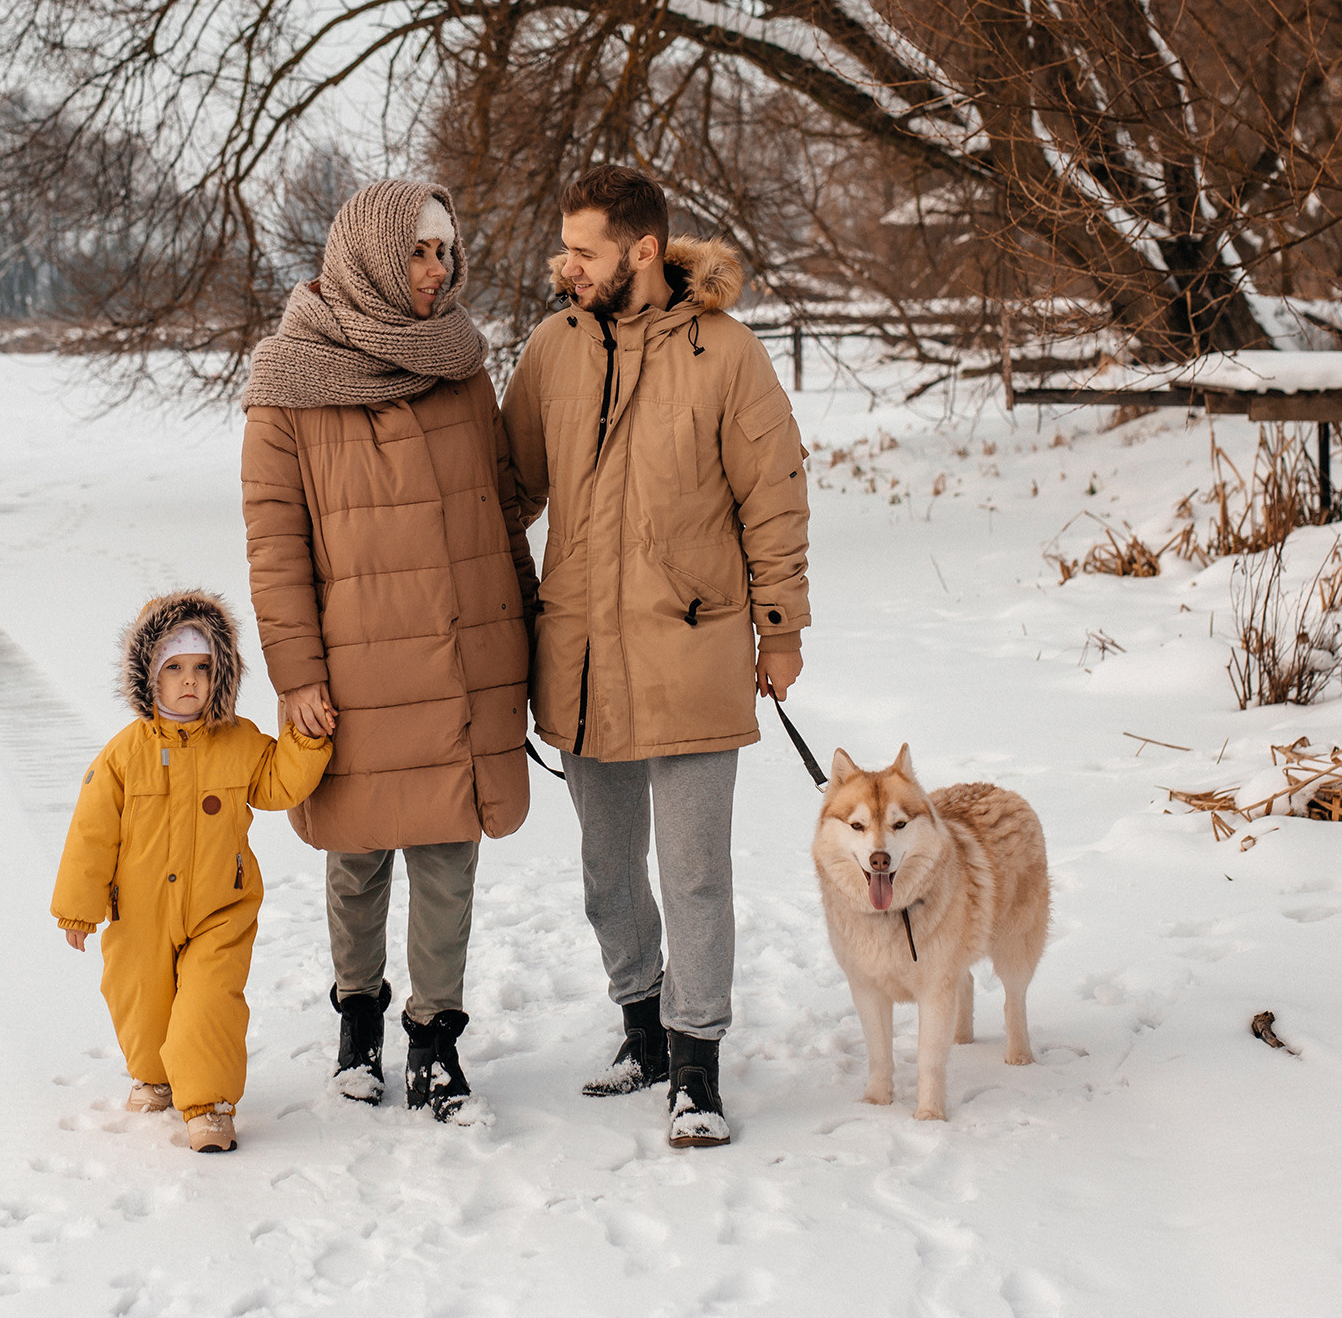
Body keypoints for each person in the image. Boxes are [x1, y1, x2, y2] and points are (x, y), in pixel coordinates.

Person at [499, 164, 812, 1149]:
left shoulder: (727, 353)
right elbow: (506, 490)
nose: (566, 266)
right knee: (607, 869)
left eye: (583, 250)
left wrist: (781, 628)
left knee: (695, 873)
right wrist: (509, 605)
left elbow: (774, 494)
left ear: (641, 250)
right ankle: (639, 1024)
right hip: (582, 655)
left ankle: (696, 1064)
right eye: (565, 248)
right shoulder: (552, 349)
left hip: (693, 646)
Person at [241, 179, 537, 1123]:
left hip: (461, 655)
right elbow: (275, 545)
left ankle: (435, 1039)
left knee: (449, 850)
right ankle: (358, 1022)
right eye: (418, 250)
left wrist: (525, 628)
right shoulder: (289, 382)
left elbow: (500, 508)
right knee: (358, 854)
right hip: (353, 668)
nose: (437, 270)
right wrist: (296, 674)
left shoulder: (461, 365)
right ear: (369, 254)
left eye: (446, 251)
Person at [50, 589, 331, 1154]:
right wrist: (78, 907)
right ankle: (154, 1076)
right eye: (174, 668)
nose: (189, 681)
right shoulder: (124, 755)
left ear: (220, 674)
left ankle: (209, 1105)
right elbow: (91, 834)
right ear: (148, 675)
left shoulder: (238, 741)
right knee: (140, 998)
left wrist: (306, 740)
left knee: (209, 1003)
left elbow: (278, 783)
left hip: (219, 907)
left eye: (203, 668)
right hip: (140, 910)